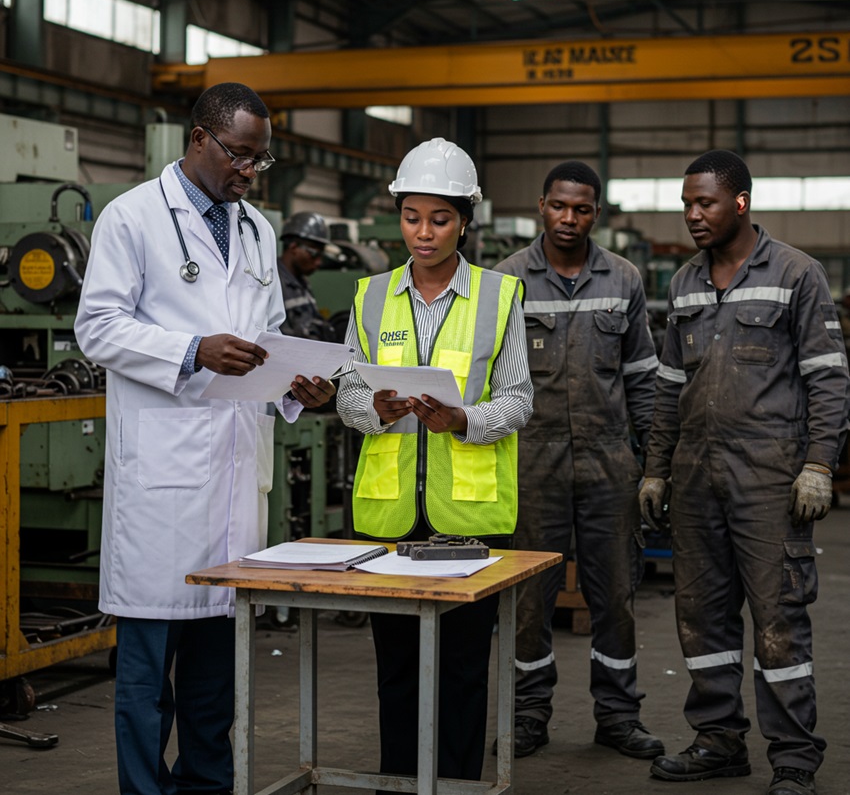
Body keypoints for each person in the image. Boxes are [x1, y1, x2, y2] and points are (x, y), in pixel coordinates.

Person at [74, 82, 335, 795]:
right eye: (240, 155)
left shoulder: (257, 229)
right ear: (198, 140)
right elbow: (95, 328)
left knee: (215, 683)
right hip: (163, 485)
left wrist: (295, 383)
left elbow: (269, 336)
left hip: (232, 482)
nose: (249, 172)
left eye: (260, 159)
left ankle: (209, 787)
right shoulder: (131, 219)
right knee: (146, 683)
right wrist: (193, 350)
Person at [640, 149, 849, 795]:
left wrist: (819, 464)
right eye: (686, 204)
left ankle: (793, 756)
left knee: (779, 618)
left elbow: (830, 381)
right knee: (702, 616)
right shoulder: (683, 284)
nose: (693, 215)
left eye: (704, 203)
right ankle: (719, 739)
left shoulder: (797, 274)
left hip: (768, 480)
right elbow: (669, 385)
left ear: (740, 202)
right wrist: (655, 469)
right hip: (697, 479)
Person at [335, 137, 533, 788]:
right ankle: (398, 783)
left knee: (462, 671)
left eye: (440, 219)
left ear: (465, 222)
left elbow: (519, 400)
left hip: (469, 517)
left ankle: (455, 785)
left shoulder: (501, 298)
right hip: (388, 517)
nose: (423, 233)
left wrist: (464, 421)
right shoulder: (369, 297)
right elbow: (347, 396)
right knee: (396, 672)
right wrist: (381, 411)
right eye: (412, 216)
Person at [493, 161, 664, 760]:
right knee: (528, 597)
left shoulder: (623, 279)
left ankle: (618, 716)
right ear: (542, 205)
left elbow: (642, 376)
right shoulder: (506, 281)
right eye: (560, 206)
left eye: (582, 209)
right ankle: (528, 713)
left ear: (597, 212)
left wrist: (653, 464)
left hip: (609, 462)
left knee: (614, 593)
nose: (570, 219)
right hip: (529, 463)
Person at [277, 211, 339, 341]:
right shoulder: (274, 283)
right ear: (294, 247)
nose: (319, 262)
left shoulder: (301, 282)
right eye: (314, 254)